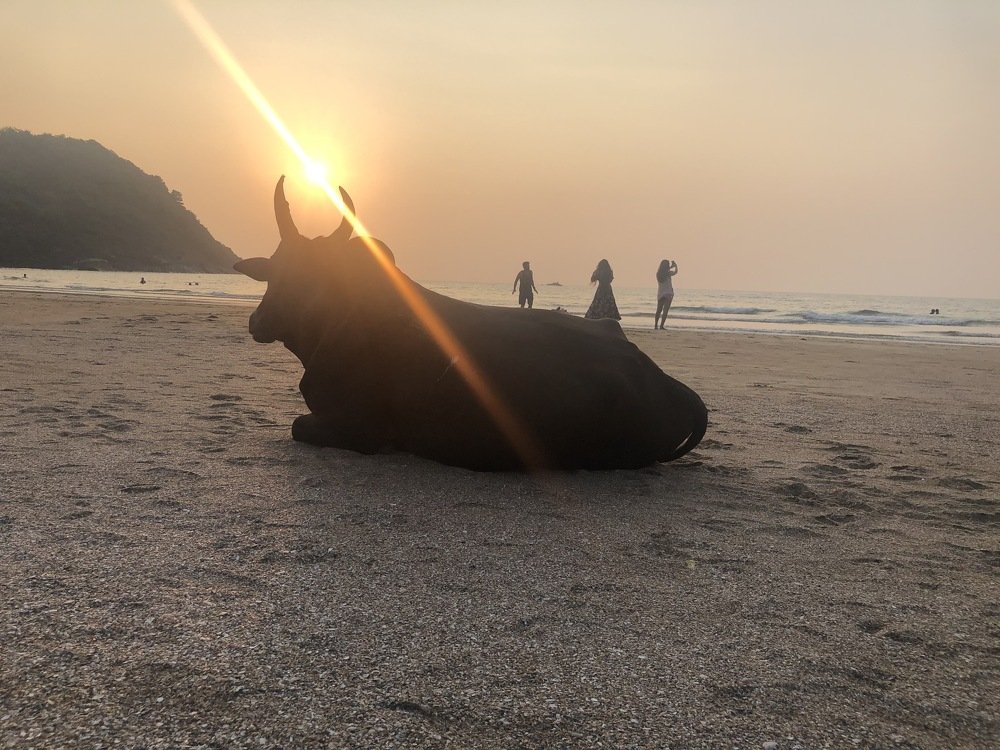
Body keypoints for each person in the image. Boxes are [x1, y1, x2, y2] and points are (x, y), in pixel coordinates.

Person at [655, 259, 678, 329]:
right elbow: (675, 272)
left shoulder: (658, 274)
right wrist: (675, 266)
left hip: (661, 293)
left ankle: (655, 325)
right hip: (668, 293)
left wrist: (670, 267)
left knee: (658, 310)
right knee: (665, 311)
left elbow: (664, 272)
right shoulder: (668, 273)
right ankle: (661, 326)